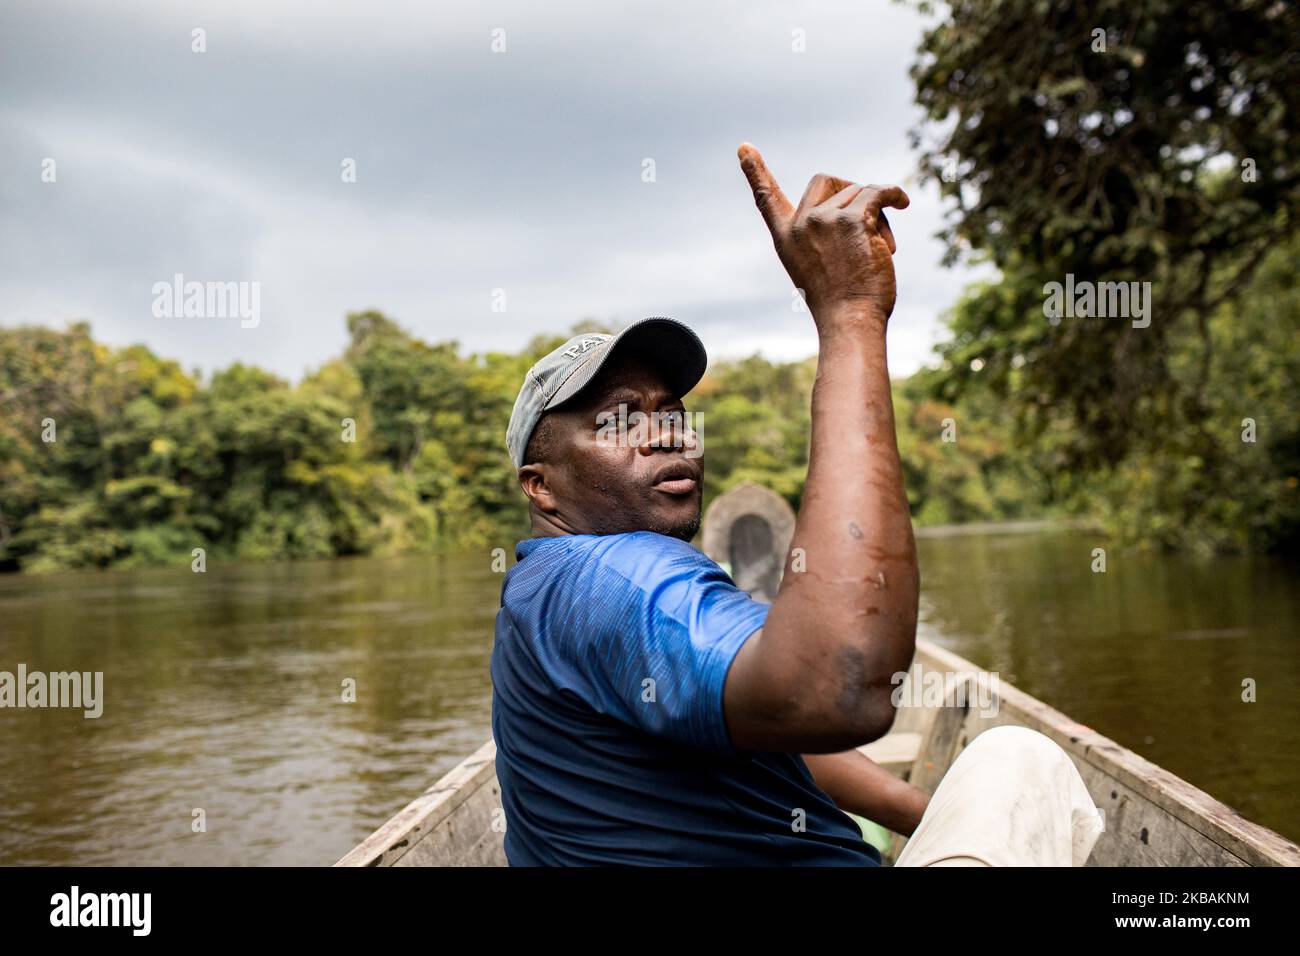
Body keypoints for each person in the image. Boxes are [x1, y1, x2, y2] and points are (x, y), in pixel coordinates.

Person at [490, 143, 1103, 866]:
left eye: (673, 412)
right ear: (542, 485)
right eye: (620, 418)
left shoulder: (548, 585)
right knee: (1019, 761)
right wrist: (848, 312)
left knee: (995, 781)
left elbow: (778, 734)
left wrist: (932, 819)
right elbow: (835, 690)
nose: (667, 435)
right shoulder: (616, 576)